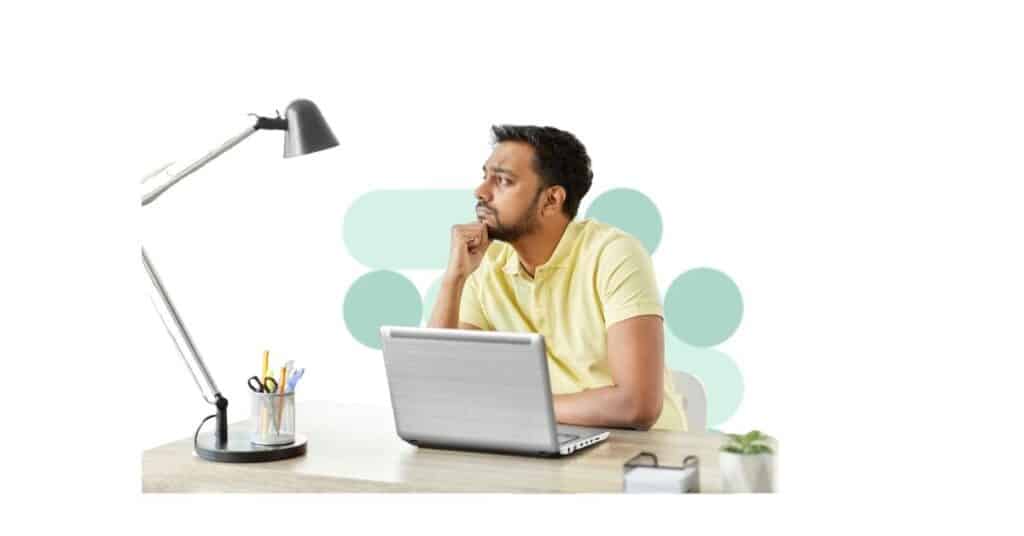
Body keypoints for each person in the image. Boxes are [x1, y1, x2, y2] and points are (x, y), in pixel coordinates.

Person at [428, 125, 686, 431]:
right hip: (551, 439)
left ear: (551, 200)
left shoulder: (613, 254)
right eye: (485, 177)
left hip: (644, 456)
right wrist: (454, 278)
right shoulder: (485, 263)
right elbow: (437, 388)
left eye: (503, 181)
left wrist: (520, 407)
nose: (480, 192)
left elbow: (636, 405)